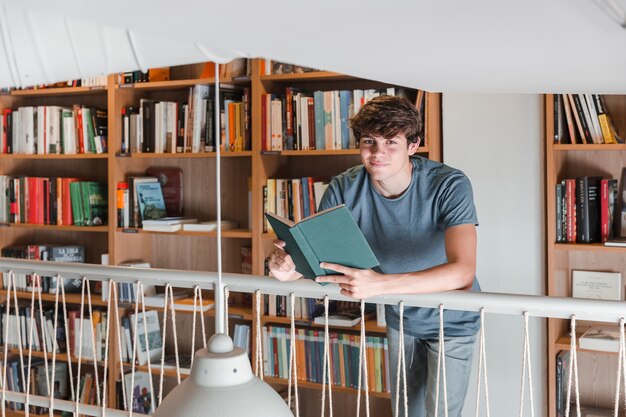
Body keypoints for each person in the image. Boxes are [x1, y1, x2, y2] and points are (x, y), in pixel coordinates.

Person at [268, 94, 480, 417]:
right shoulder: (343, 188)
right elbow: (315, 260)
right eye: (369, 141)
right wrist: (286, 269)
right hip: (402, 318)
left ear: (413, 145)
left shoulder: (450, 184)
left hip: (452, 319)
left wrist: (379, 285)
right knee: (406, 413)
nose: (378, 152)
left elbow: (462, 272)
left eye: (391, 142)